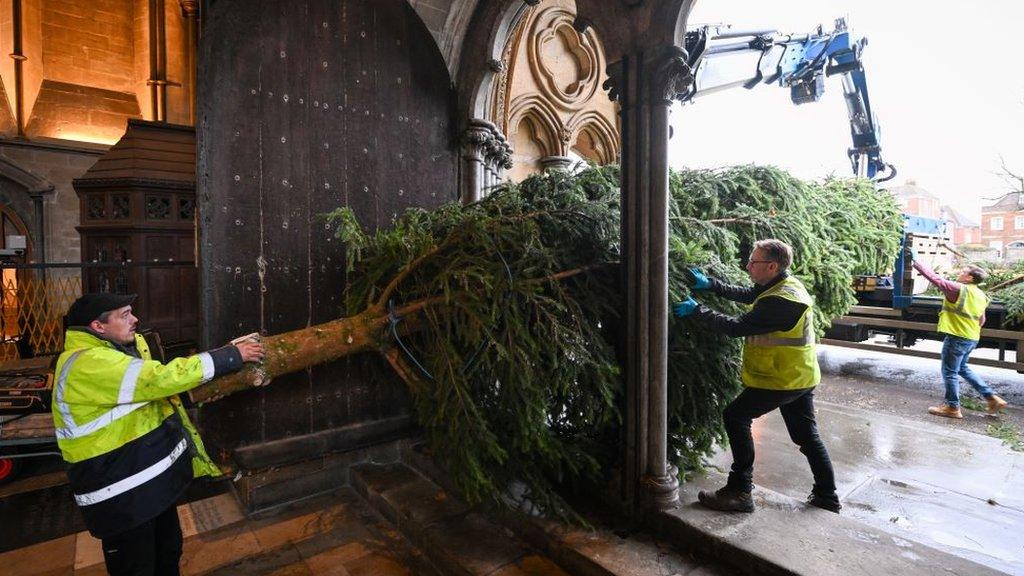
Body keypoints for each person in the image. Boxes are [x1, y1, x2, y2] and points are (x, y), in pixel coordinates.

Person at [52, 293, 265, 575]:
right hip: (122, 498)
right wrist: (229, 357)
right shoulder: (87, 364)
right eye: (125, 314)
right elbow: (160, 379)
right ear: (98, 326)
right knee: (138, 566)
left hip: (149, 488)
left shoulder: (117, 351)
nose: (135, 319)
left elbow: (154, 397)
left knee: (167, 552)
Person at [673, 239, 840, 513]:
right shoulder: (782, 286)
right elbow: (750, 295)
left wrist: (697, 311)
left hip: (781, 378)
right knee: (807, 435)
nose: (747, 265)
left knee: (736, 416)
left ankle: (740, 491)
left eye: (753, 262)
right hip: (799, 375)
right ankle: (827, 497)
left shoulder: (782, 302)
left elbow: (737, 327)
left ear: (772, 266)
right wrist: (711, 285)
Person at [911, 257, 1007, 418]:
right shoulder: (981, 295)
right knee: (962, 368)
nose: (960, 273)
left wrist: (915, 261)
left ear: (970, 278)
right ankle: (992, 397)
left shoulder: (958, 289)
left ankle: (952, 407)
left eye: (963, 272)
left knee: (949, 372)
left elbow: (935, 279)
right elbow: (982, 320)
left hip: (957, 337)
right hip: (972, 338)